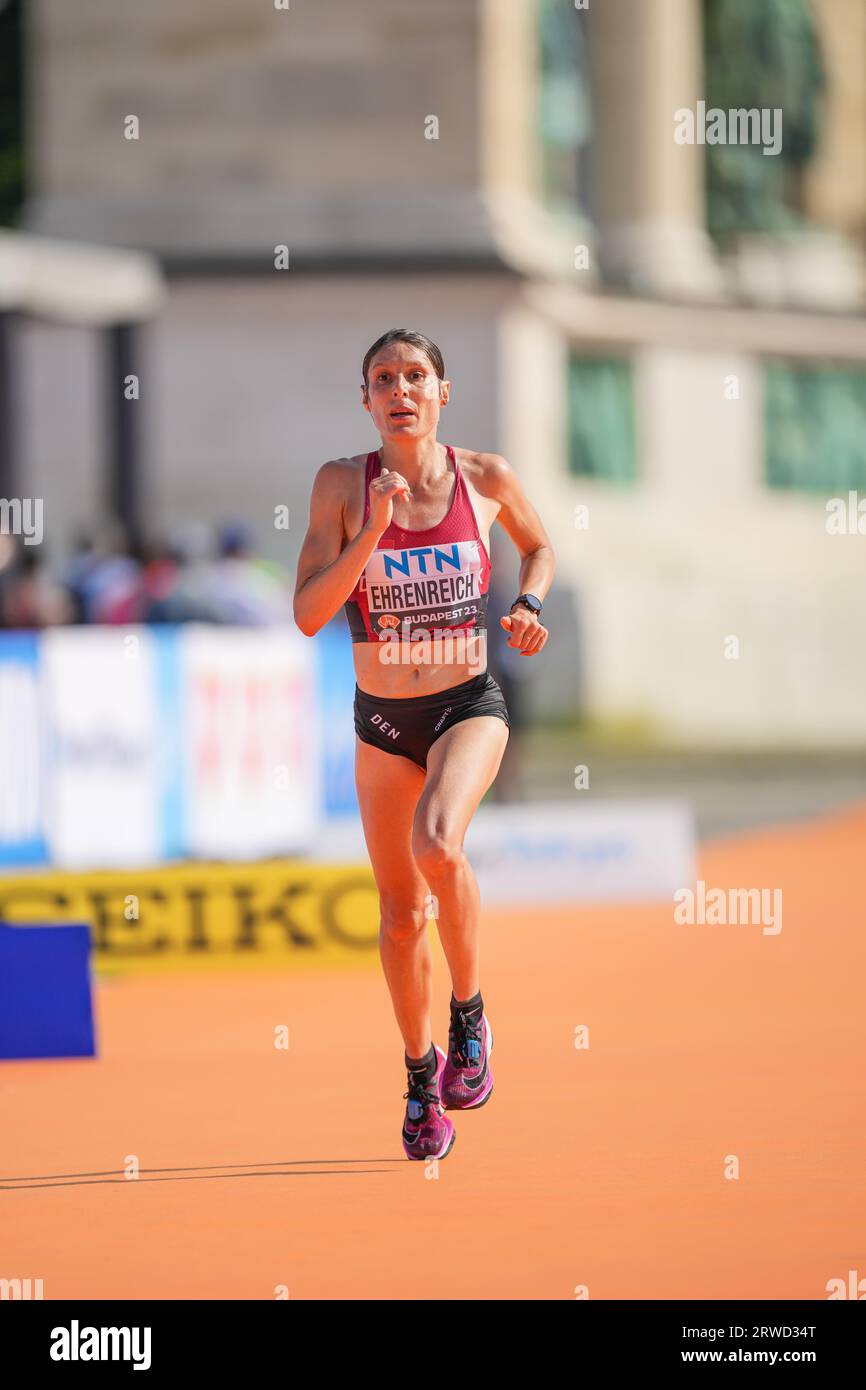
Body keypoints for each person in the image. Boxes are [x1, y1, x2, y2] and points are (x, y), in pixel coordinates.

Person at [293, 329, 555, 1160]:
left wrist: (530, 605)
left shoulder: (487, 477)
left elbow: (539, 547)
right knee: (403, 916)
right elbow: (306, 614)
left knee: (438, 843)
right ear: (366, 401)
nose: (400, 389)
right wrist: (369, 533)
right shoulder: (341, 485)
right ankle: (418, 1075)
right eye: (383, 379)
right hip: (382, 722)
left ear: (443, 391)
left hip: (467, 702)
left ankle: (470, 1014)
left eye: (415, 376)